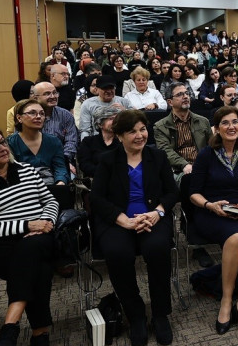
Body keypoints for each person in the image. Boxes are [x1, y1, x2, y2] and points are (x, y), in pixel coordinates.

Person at [89, 110, 178, 346]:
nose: (140, 135)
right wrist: (123, 220)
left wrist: (157, 212)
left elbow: (171, 192)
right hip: (118, 220)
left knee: (158, 249)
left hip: (152, 217)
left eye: (142, 129)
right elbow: (96, 199)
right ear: (119, 136)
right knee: (118, 253)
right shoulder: (107, 160)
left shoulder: (157, 156)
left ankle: (160, 314)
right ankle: (136, 315)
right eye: (132, 131)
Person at [0, 128, 59, 346]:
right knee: (39, 268)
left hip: (39, 237)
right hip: (0, 247)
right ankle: (40, 333)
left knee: (33, 248)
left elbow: (51, 202)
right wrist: (26, 225)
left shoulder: (27, 170)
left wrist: (44, 223)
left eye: (3, 142)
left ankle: (10, 328)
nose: (2, 148)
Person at [188, 106, 238, 335]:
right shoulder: (206, 155)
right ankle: (226, 301)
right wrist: (211, 205)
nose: (231, 127)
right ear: (217, 128)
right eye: (226, 123)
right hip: (212, 210)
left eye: (235, 122)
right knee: (236, 238)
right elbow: (193, 193)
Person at [153, 82, 212, 183]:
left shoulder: (203, 121)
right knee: (190, 180)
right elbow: (166, 151)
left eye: (186, 93)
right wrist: (184, 165)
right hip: (178, 170)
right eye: (180, 94)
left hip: (203, 167)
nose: (185, 96)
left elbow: (212, 146)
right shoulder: (160, 126)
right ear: (170, 102)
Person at [7, 100, 69, 187]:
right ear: (19, 118)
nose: (38, 117)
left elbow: (60, 168)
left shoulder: (53, 141)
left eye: (42, 113)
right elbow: (10, 172)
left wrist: (60, 183)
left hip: (51, 185)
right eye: (32, 113)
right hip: (23, 187)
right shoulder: (10, 142)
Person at [31, 82, 79, 175]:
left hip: (62, 161)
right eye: (47, 94)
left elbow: (71, 142)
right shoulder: (29, 117)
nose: (53, 96)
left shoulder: (65, 115)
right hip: (34, 164)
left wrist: (63, 161)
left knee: (69, 178)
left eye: (55, 92)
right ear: (36, 98)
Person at [77, 105, 122, 178]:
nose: (115, 122)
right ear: (100, 124)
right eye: (111, 119)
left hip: (119, 179)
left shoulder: (122, 141)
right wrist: (103, 173)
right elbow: (84, 164)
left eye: (117, 119)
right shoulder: (88, 142)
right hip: (95, 179)